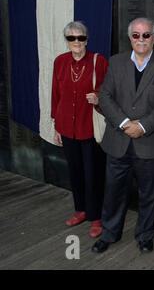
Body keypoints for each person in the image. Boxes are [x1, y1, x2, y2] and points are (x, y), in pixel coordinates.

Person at [91, 17, 154, 253]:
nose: (141, 39)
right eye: (136, 35)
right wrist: (124, 123)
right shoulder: (116, 62)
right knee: (112, 192)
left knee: (149, 195)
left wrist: (143, 126)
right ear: (130, 38)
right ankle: (109, 233)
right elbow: (105, 96)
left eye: (146, 35)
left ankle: (145, 235)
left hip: (151, 142)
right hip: (118, 141)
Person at [51, 21, 108, 238]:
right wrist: (56, 125)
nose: (76, 42)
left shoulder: (98, 61)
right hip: (67, 126)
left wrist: (98, 97)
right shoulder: (60, 62)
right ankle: (81, 210)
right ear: (66, 41)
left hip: (90, 126)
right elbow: (56, 93)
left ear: (87, 39)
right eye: (71, 38)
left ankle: (96, 217)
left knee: (93, 172)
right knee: (75, 170)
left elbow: (109, 91)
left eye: (80, 38)